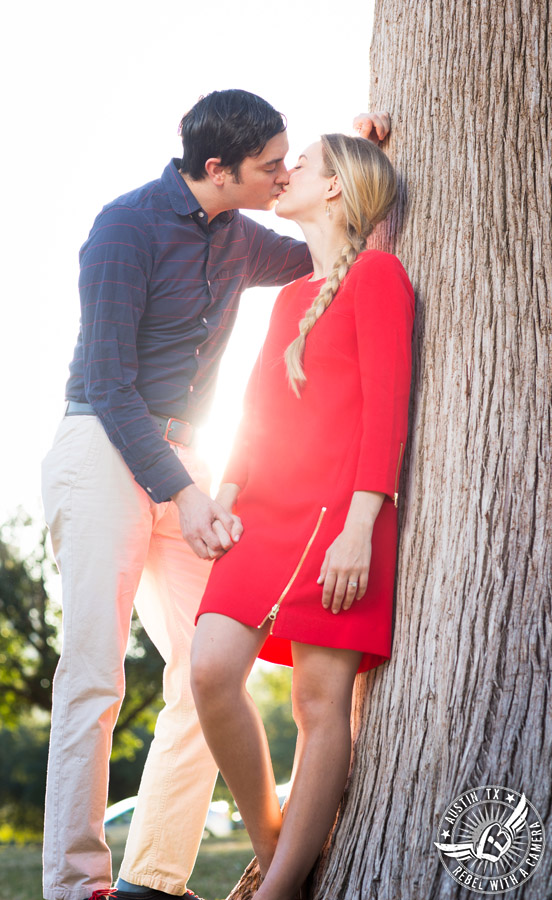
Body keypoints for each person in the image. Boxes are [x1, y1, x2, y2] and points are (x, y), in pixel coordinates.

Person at [41, 88, 389, 900]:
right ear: (215, 168)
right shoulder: (124, 229)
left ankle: (151, 879)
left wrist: (362, 156)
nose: (281, 175)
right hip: (101, 443)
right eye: (271, 166)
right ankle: (73, 883)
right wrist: (185, 495)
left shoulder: (239, 238)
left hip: (184, 456)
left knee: (206, 668)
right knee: (93, 673)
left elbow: (326, 251)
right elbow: (108, 383)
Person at [191, 134, 414, 900]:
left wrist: (360, 525)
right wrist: (223, 499)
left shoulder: (382, 277)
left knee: (320, 708)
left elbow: (387, 413)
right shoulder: (288, 296)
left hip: (340, 521)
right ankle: (275, 842)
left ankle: (280, 890)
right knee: (211, 669)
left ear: (335, 192)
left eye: (304, 163)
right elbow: (253, 414)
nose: (285, 173)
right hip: (261, 515)